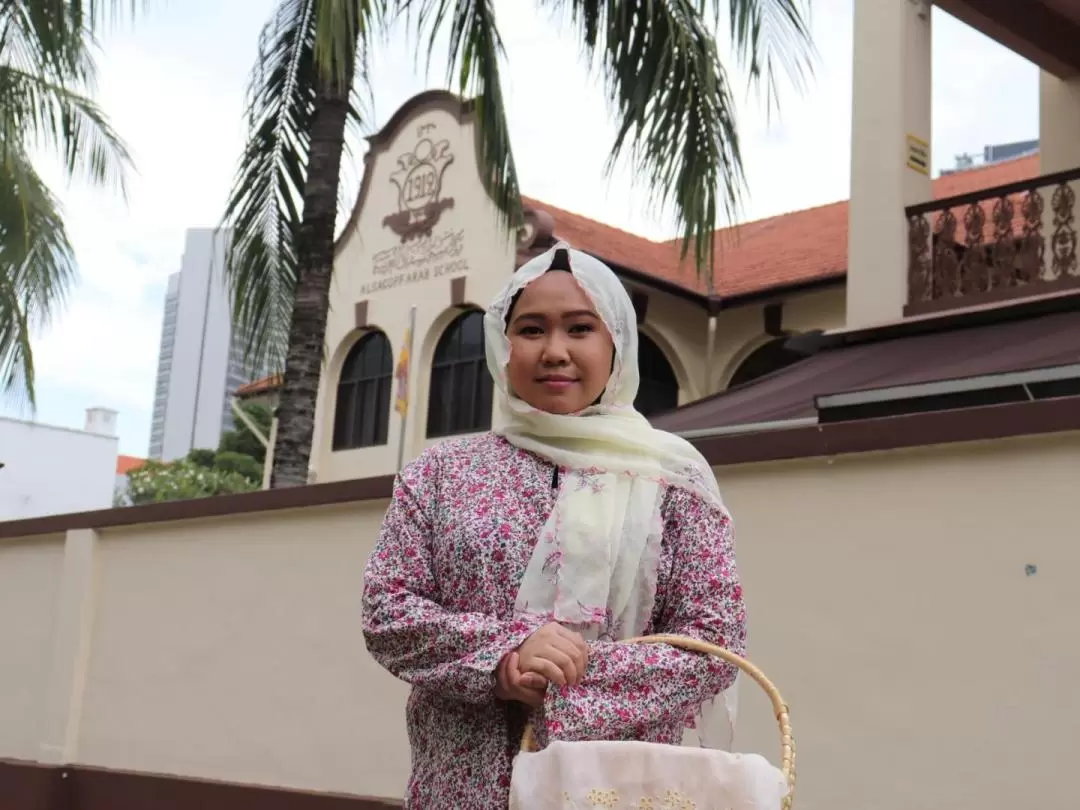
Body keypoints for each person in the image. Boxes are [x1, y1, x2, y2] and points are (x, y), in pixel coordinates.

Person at [362, 243, 747, 809]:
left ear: (615, 343)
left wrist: (570, 673)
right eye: (532, 329)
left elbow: (714, 640)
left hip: (614, 790)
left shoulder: (672, 479)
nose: (555, 351)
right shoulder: (442, 472)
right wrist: (503, 657)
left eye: (580, 328)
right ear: (503, 344)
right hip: (463, 788)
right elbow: (387, 609)